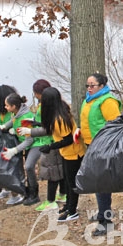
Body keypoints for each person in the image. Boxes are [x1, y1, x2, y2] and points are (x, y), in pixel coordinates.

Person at [28, 86, 85, 222]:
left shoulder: (60, 118)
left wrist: (50, 146)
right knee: (67, 179)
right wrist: (36, 123)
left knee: (72, 184)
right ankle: (68, 206)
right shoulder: (59, 111)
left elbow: (68, 139)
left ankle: (72, 211)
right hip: (66, 153)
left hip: (74, 152)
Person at [77, 72, 121, 236]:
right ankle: (103, 212)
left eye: (92, 85)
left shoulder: (107, 101)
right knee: (98, 181)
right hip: (91, 144)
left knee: (100, 182)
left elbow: (116, 124)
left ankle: (105, 220)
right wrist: (79, 131)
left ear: (101, 86)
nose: (89, 88)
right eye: (87, 85)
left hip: (103, 147)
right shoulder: (89, 100)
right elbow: (88, 121)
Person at [27, 79, 68, 212]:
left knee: (52, 173)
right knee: (60, 170)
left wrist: (30, 131)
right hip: (57, 143)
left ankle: (50, 201)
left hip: (49, 143)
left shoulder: (49, 109)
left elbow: (49, 128)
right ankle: (63, 194)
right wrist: (36, 124)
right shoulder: (61, 107)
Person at [0, 92, 38, 205]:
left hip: (34, 144)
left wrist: (15, 150)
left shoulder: (26, 117)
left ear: (13, 106)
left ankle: (34, 193)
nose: (5, 107)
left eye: (7, 105)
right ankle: (26, 191)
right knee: (24, 167)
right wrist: (4, 126)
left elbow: (29, 140)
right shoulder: (16, 113)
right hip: (23, 143)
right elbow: (14, 120)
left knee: (29, 166)